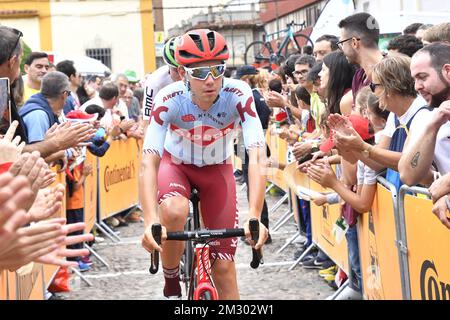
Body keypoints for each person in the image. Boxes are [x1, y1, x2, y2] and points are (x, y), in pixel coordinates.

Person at [140, 29, 268, 300]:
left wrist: (255, 213)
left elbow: (256, 155)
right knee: (174, 210)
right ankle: (171, 275)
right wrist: (151, 220)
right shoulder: (169, 98)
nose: (210, 80)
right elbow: (148, 163)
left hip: (217, 169)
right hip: (175, 166)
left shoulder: (239, 93)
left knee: (224, 267)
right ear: (182, 73)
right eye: (199, 72)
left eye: (217, 69)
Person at [235, 65, 272, 243]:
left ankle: (259, 228)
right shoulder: (256, 95)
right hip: (253, 141)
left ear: (244, 79)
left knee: (255, 187)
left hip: (250, 142)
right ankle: (259, 226)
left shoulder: (251, 96)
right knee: (254, 187)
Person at [142, 36, 182, 128]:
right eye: (176, 70)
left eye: (184, 70)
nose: (181, 75)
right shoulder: (154, 81)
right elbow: (147, 120)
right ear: (168, 66)